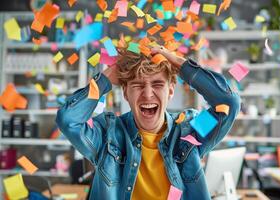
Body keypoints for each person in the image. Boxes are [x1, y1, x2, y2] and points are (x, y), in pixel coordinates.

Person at [56, 42, 240, 200]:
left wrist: (179, 64)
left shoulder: (190, 131)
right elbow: (68, 120)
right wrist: (106, 78)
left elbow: (228, 103)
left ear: (170, 90)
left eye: (158, 84)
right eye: (137, 85)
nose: (148, 94)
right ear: (126, 92)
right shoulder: (107, 135)